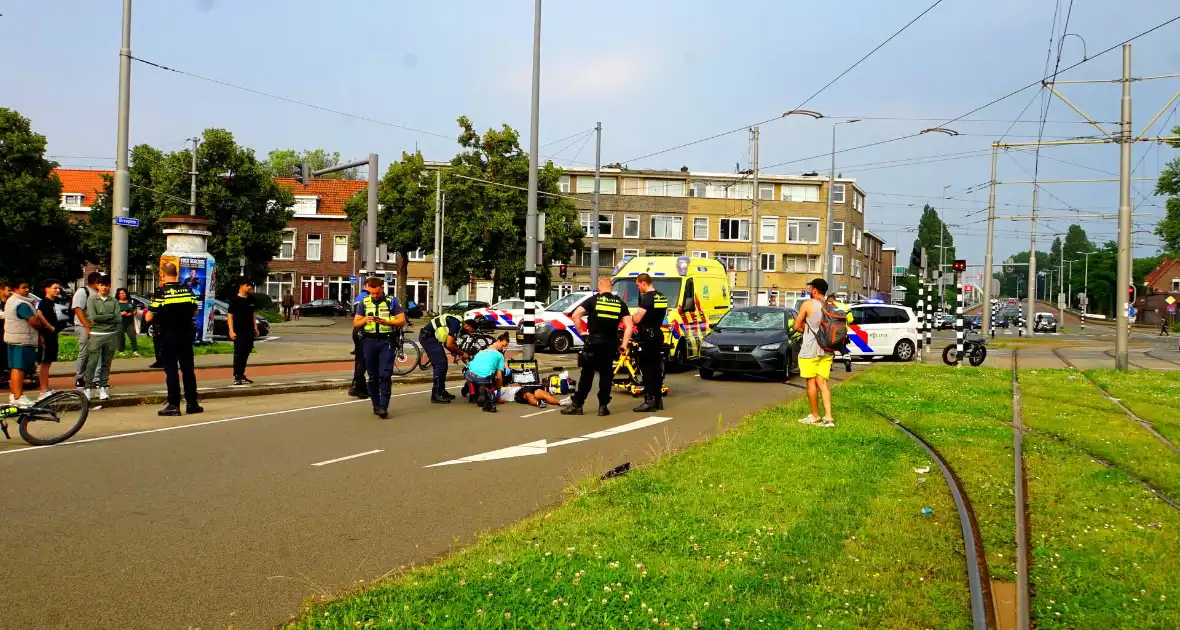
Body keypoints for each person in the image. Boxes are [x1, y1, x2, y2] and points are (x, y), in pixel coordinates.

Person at [562, 276, 633, 417]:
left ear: (599, 286)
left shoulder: (593, 300)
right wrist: (624, 345)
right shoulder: (620, 303)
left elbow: (576, 315)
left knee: (587, 374)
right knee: (606, 375)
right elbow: (629, 326)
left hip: (594, 342)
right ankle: (603, 407)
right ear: (611, 287)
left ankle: (578, 405)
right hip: (611, 344)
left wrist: (582, 332)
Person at [145, 261, 202, 416]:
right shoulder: (188, 290)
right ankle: (192, 403)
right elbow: (195, 312)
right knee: (188, 370)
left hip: (168, 335)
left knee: (171, 370)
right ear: (176, 273)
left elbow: (149, 316)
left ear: (163, 274)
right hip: (186, 335)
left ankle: (173, 405)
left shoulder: (161, 292)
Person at [352, 277, 406, 418]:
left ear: (382, 288)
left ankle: (383, 406)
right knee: (373, 376)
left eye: (377, 293)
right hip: (369, 341)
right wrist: (365, 319)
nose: (374, 296)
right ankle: (376, 405)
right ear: (368, 289)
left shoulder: (392, 301)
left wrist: (386, 322)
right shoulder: (364, 302)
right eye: (372, 293)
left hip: (386, 341)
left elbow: (401, 320)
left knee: (385, 375)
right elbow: (356, 323)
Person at [793, 278, 836, 427]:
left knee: (811, 382)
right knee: (823, 383)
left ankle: (815, 416)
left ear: (815, 290)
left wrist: (806, 327)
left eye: (811, 287)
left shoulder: (808, 304)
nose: (809, 290)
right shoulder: (831, 306)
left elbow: (796, 326)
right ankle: (829, 418)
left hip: (810, 349)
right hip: (828, 350)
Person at [3, 281, 48, 408]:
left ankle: (14, 395)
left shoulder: (11, 301)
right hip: (22, 340)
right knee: (19, 368)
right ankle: (18, 397)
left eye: (28, 287)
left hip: (13, 338)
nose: (27, 290)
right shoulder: (21, 304)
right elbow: (33, 321)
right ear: (16, 289)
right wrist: (41, 325)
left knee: (15, 368)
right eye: (24, 287)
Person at [631, 273, 668, 412]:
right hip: (658, 334)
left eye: (638, 285)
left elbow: (638, 318)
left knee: (646, 368)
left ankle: (649, 400)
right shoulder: (662, 297)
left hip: (647, 336)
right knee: (656, 369)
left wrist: (628, 318)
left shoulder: (647, 298)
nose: (638, 288)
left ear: (643, 283)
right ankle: (658, 400)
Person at [420, 312, 476, 404]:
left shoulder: (456, 322)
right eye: (471, 331)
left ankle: (441, 391)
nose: (469, 333)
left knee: (443, 364)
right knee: (440, 365)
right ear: (467, 326)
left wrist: (456, 353)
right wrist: (462, 353)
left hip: (433, 338)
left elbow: (447, 342)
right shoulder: (456, 324)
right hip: (428, 338)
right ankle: (436, 394)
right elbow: (449, 344)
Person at [84, 276, 119, 401]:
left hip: (111, 334)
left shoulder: (114, 301)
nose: (104, 287)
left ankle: (103, 387)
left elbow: (118, 318)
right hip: (97, 334)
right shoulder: (92, 299)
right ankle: (88, 388)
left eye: (107, 285)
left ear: (110, 287)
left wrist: (102, 317)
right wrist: (109, 317)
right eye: (102, 285)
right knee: (92, 362)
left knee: (106, 363)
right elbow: (93, 316)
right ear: (98, 286)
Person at [464, 333, 511, 412]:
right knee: (492, 379)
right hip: (483, 379)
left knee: (470, 371)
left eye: (505, 346)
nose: (503, 348)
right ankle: (487, 391)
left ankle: (473, 395)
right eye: (503, 345)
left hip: (469, 375)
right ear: (498, 341)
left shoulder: (482, 351)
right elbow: (499, 377)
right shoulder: (499, 355)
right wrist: (499, 390)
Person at [35, 279, 65, 400]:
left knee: (49, 362)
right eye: (55, 288)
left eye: (58, 288)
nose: (57, 290)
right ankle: (43, 390)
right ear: (47, 289)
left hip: (52, 335)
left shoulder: (51, 303)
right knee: (45, 363)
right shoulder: (44, 302)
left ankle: (46, 388)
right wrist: (49, 326)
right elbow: (39, 314)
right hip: (47, 335)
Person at [226, 277, 259, 385]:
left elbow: (252, 314)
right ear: (241, 286)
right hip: (238, 330)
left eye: (251, 286)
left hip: (249, 330)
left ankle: (241, 373)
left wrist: (255, 327)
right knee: (238, 353)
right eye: (247, 285)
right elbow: (230, 315)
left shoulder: (251, 299)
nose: (250, 287)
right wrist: (231, 330)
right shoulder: (234, 300)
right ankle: (237, 376)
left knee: (246, 352)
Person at [72, 271, 100, 387]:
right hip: (83, 326)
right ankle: (79, 377)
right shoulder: (83, 292)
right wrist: (87, 326)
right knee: (85, 352)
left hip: (97, 327)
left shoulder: (99, 293)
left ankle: (95, 379)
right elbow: (78, 309)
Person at [348, 287, 370, 399]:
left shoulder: (360, 296)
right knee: (362, 361)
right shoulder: (366, 298)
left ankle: (362, 388)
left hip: (357, 332)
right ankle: (356, 387)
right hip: (362, 332)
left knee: (361, 361)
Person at [826, 293, 854, 373]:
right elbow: (851, 320)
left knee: (829, 348)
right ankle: (847, 360)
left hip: (829, 331)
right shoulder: (844, 306)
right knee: (842, 347)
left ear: (829, 299)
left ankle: (829, 365)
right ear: (835, 299)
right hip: (842, 331)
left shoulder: (827, 307)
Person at [114, 288, 140, 356]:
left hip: (129, 322)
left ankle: (135, 351)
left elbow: (135, 310)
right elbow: (112, 312)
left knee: (132, 336)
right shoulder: (115, 302)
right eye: (121, 293)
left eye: (124, 293)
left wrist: (131, 313)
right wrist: (121, 313)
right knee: (120, 337)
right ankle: (121, 351)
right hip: (119, 322)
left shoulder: (131, 301)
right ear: (118, 295)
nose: (123, 294)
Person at [495, 382, 562, 409]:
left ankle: (561, 402)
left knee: (542, 394)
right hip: (517, 394)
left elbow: (518, 385)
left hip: (523, 388)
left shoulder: (503, 387)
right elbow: (497, 399)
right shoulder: (495, 392)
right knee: (528, 395)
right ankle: (538, 403)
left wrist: (510, 385)